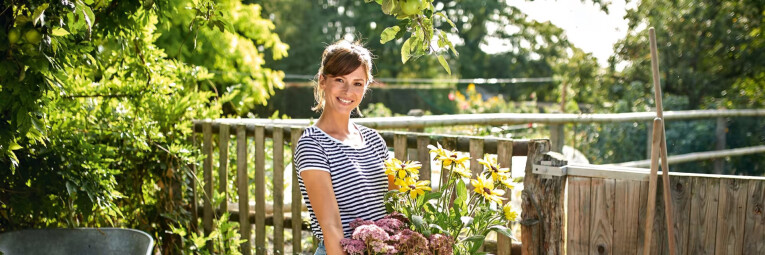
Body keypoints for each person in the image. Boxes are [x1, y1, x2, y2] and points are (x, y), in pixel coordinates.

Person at [293, 40, 395, 255]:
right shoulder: (312, 144)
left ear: (366, 87)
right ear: (322, 81)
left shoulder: (374, 140)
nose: (348, 91)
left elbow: (394, 207)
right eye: (340, 80)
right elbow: (331, 228)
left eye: (358, 83)